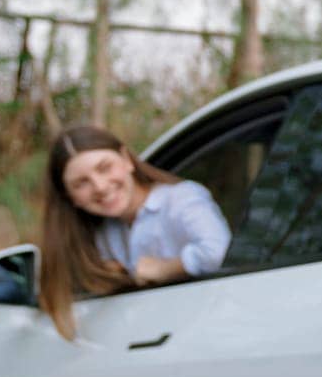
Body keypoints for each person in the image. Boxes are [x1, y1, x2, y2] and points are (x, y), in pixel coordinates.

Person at [39, 125, 231, 340]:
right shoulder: (103, 235)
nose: (100, 186)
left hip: (214, 330)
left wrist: (165, 268)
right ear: (70, 197)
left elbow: (217, 251)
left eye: (104, 168)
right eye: (81, 183)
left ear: (126, 160)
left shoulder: (181, 199)